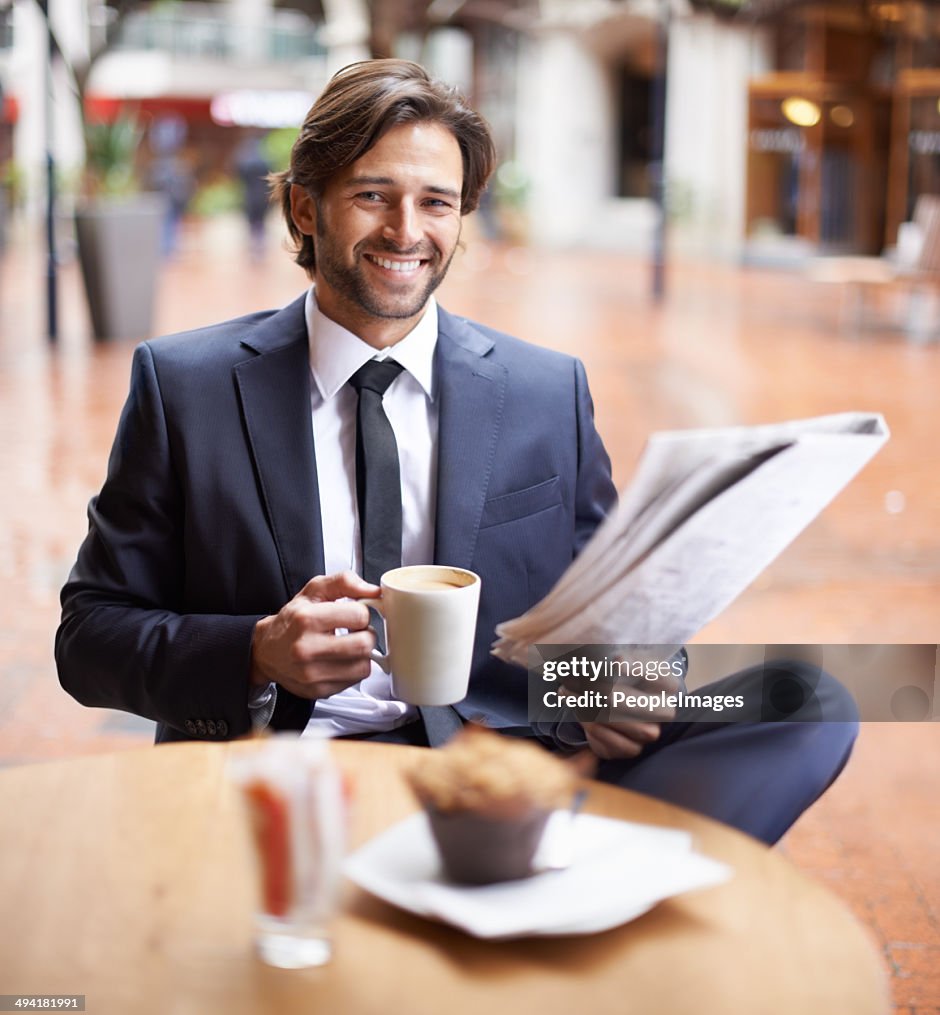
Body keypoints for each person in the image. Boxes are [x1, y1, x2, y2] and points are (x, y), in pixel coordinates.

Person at [56, 59, 857, 844]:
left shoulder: (547, 391)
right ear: (305, 208)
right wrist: (257, 652)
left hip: (502, 773)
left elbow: (617, 619)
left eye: (436, 202)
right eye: (373, 196)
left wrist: (620, 684)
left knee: (810, 699)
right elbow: (89, 636)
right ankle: (577, 892)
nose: (407, 232)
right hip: (285, 774)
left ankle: (564, 878)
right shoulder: (186, 386)